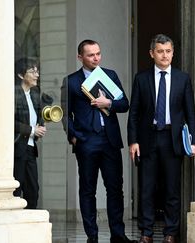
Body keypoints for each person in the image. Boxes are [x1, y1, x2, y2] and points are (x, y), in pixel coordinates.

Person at [61, 39, 137, 243]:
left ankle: (118, 236)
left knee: (115, 189)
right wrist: (75, 137)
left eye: (98, 54)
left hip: (110, 140)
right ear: (80, 57)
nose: (96, 58)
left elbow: (125, 104)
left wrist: (108, 102)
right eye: (90, 55)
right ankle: (92, 237)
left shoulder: (109, 75)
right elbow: (65, 114)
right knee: (88, 191)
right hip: (86, 141)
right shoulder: (71, 81)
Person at [127, 34, 195, 243]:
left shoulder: (182, 78)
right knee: (147, 188)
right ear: (152, 53)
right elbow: (134, 112)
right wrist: (133, 141)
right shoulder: (141, 78)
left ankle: (170, 233)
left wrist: (194, 141)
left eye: (168, 51)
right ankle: (146, 232)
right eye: (160, 51)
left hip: (173, 139)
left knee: (171, 189)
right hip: (148, 138)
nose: (164, 55)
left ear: (173, 52)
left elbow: (190, 112)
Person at [14, 57, 46, 209]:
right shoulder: (14, 94)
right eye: (32, 71)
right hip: (17, 148)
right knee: (15, 190)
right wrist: (32, 130)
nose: (36, 74)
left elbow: (37, 118)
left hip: (31, 148)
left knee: (33, 190)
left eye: (37, 71)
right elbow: (9, 123)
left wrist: (41, 124)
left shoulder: (34, 94)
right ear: (21, 75)